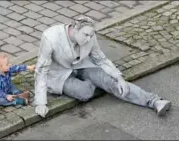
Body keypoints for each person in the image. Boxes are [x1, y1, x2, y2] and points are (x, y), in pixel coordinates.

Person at [34, 16, 171, 117]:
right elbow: (41, 70)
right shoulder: (50, 37)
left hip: (82, 66)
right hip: (59, 75)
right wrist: (40, 103)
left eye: (91, 35)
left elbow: (100, 59)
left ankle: (154, 101)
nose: (88, 39)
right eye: (85, 35)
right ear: (75, 28)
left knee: (110, 81)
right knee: (84, 92)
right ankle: (96, 84)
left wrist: (119, 78)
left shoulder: (90, 36)